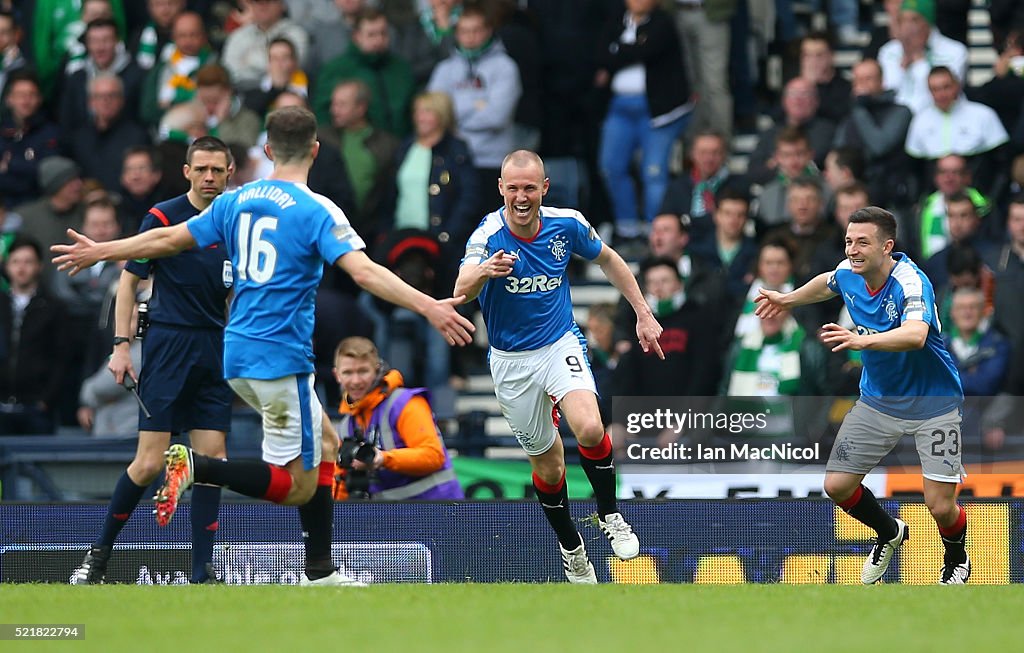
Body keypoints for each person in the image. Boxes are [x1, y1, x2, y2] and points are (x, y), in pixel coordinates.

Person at [53, 106, 474, 587]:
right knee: (295, 488)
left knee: (329, 445)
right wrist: (429, 306)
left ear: (268, 150)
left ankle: (320, 570)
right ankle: (196, 464)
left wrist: (100, 250)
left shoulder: (235, 201)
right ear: (315, 150)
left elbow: (168, 239)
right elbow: (364, 271)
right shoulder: (317, 210)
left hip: (235, 352)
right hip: (280, 357)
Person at [454, 150, 659, 583]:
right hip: (511, 363)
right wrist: (487, 271)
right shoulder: (488, 234)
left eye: (530, 187)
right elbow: (461, 288)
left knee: (588, 426)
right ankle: (571, 547)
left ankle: (610, 516)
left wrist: (642, 311)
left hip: (558, 343)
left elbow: (609, 260)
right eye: (513, 188)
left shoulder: (566, 224)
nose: (522, 197)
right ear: (501, 189)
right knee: (549, 467)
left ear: (544, 188)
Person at [754, 206, 970, 584]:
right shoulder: (849, 273)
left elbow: (916, 335)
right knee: (837, 485)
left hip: (934, 402)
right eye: (849, 241)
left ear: (887, 246)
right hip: (878, 400)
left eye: (862, 242)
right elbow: (828, 281)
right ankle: (890, 532)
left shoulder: (912, 282)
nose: (853, 250)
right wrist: (788, 299)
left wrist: (860, 339)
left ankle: (956, 558)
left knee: (940, 507)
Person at [71, 136, 236, 586]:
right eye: (201, 169)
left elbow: (234, 292)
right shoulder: (163, 217)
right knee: (148, 463)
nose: (208, 178)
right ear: (186, 172)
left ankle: (202, 572)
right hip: (167, 346)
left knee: (212, 460)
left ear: (229, 173)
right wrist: (121, 345)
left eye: (217, 171)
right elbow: (128, 283)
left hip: (215, 348)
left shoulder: (236, 222)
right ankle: (98, 556)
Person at [332, 336, 463, 501]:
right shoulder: (346, 426)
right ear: (337, 375)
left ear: (377, 369)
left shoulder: (405, 403)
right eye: (348, 372)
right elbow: (341, 483)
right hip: (393, 518)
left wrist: (383, 458)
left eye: (363, 371)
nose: (356, 380)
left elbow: (433, 456)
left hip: (439, 511)